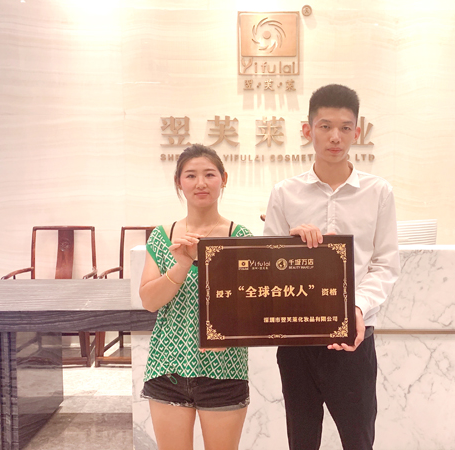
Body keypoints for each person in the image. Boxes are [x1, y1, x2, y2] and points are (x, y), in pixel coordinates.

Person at [263, 84, 400, 450]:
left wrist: (356, 308)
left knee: (359, 440)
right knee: (302, 441)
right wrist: (290, 246)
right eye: (325, 126)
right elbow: (267, 269)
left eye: (344, 127)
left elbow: (385, 264)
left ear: (357, 131)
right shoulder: (284, 193)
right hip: (297, 340)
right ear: (308, 130)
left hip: (354, 337)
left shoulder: (378, 192)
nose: (335, 137)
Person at [139, 144, 252, 450]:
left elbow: (253, 307)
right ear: (179, 182)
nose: (200, 183)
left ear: (223, 179)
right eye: (190, 175)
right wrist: (182, 264)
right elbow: (149, 301)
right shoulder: (162, 236)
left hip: (224, 367)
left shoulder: (240, 237)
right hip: (167, 366)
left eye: (209, 174)